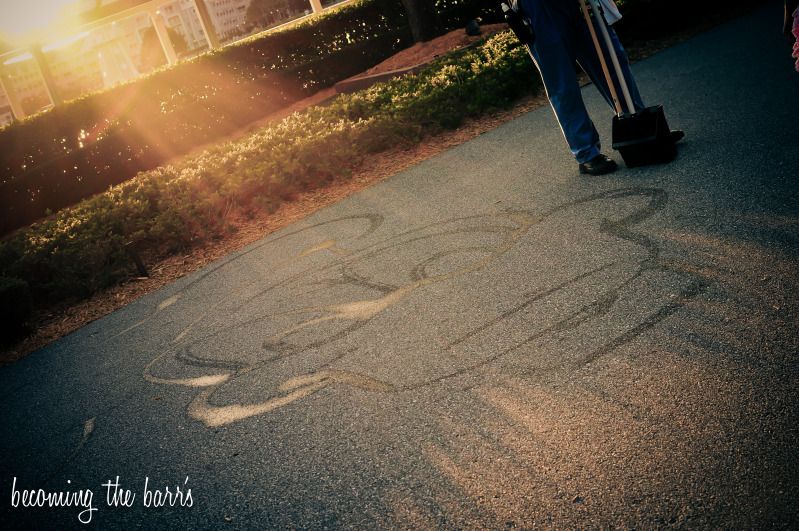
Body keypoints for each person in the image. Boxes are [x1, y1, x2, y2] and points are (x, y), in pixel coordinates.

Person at [512, 0, 682, 175]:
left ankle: (642, 127)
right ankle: (586, 153)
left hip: (580, 3)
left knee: (613, 62)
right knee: (563, 84)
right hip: (538, 8)